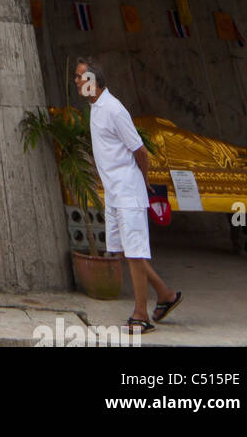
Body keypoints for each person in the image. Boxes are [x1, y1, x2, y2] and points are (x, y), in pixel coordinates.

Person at [74, 56, 183, 333]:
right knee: (124, 251)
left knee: (134, 251)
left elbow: (140, 150)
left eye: (79, 77)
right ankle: (165, 294)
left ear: (92, 82)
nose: (76, 81)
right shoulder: (95, 107)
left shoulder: (113, 109)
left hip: (128, 189)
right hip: (114, 191)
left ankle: (141, 315)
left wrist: (142, 182)